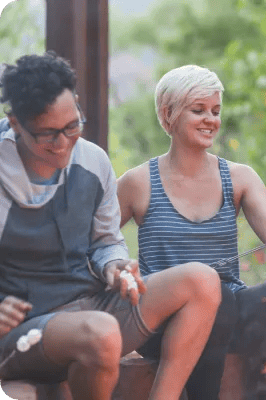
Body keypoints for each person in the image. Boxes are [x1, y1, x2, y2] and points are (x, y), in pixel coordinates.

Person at [116, 64, 266, 399]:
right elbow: (99, 240)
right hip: (167, 320)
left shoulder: (239, 177)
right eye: (198, 110)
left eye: (215, 111)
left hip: (228, 310)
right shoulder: (137, 182)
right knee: (216, 297)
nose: (211, 120)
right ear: (168, 115)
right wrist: (120, 271)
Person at [0, 52, 222, 400]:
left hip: (90, 304)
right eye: (48, 135)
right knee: (100, 331)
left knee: (203, 280)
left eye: (73, 126)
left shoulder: (92, 160)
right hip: (22, 329)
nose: (64, 144)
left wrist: (116, 267)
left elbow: (105, 241)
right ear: (15, 124)